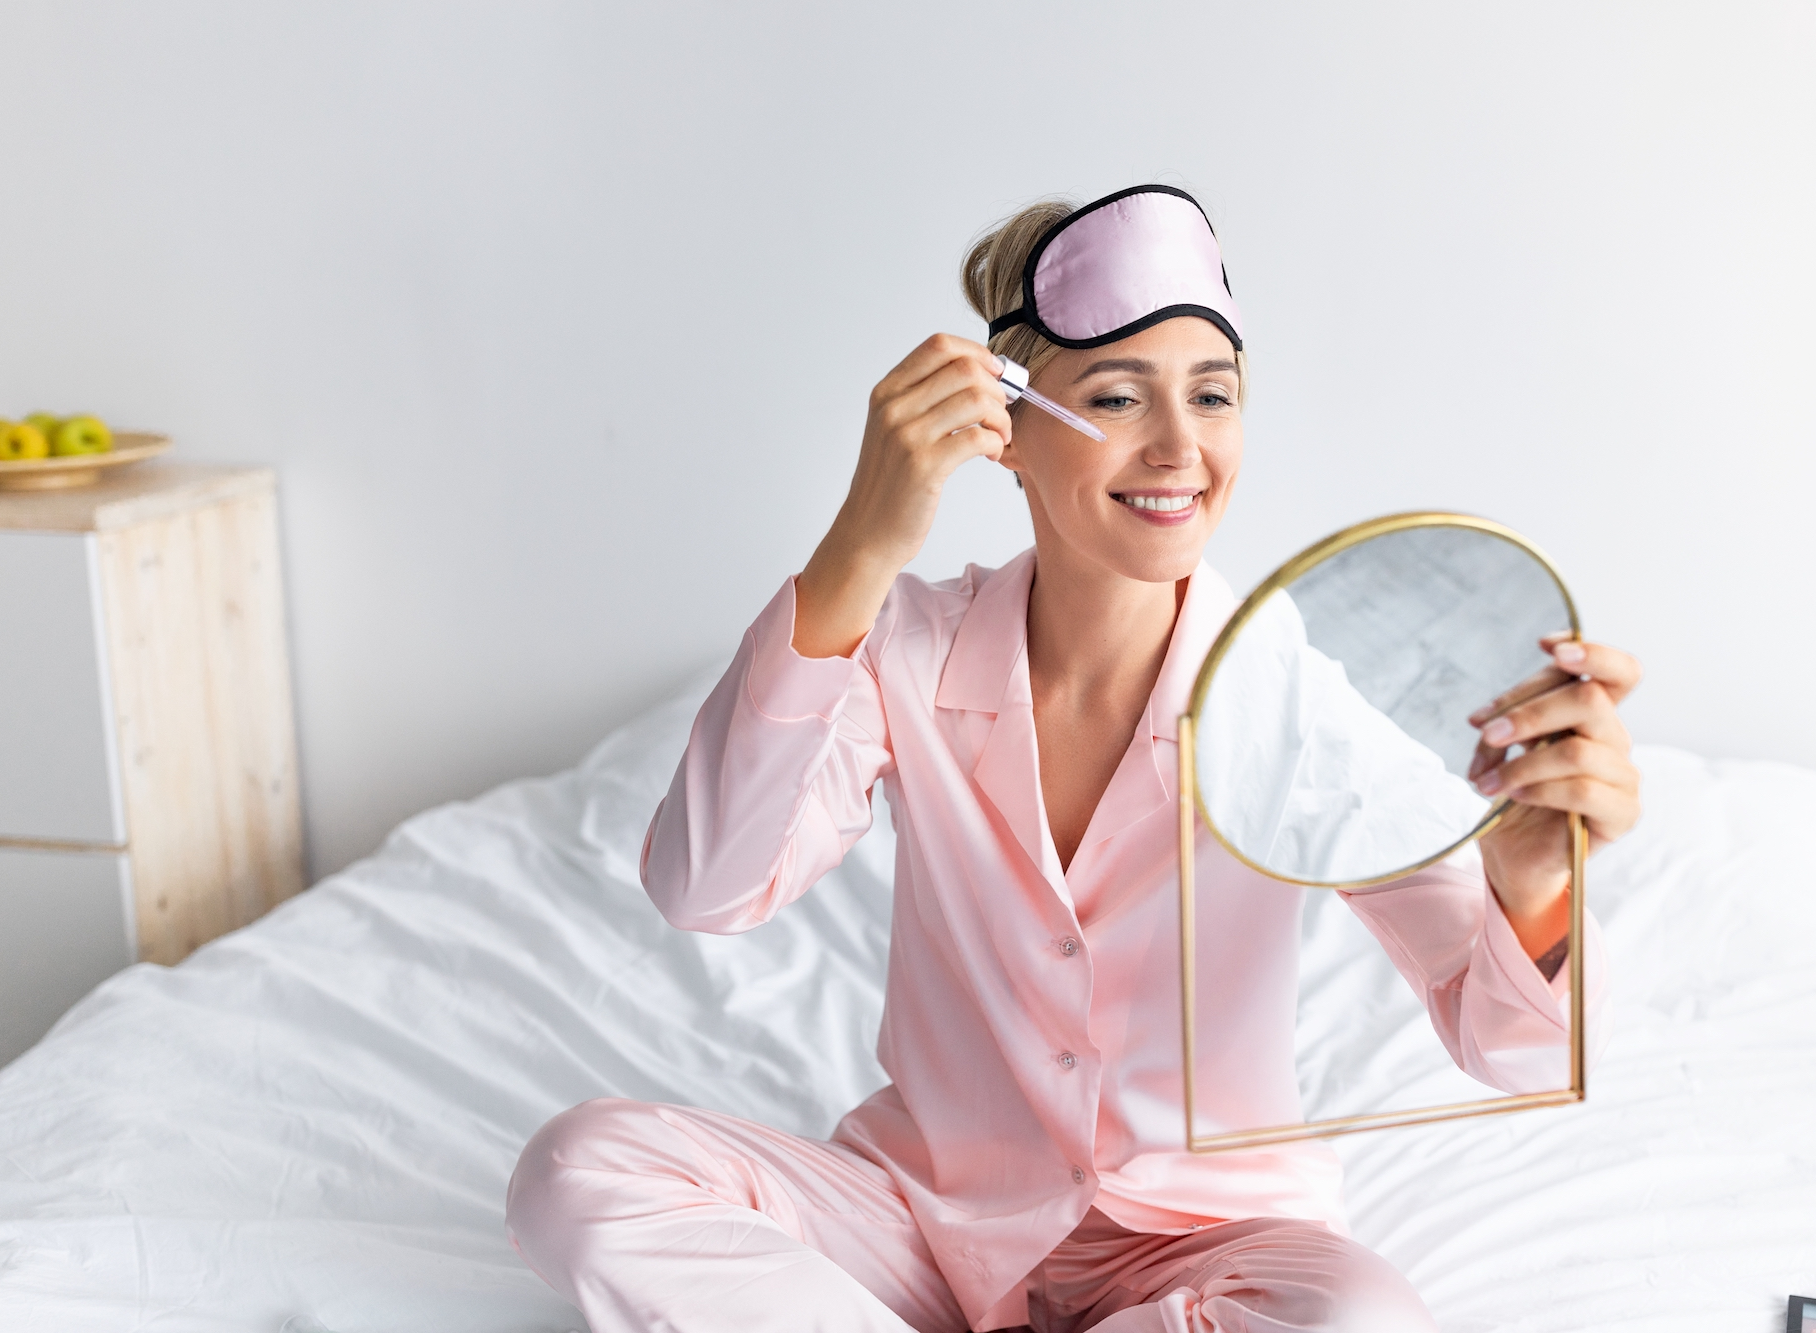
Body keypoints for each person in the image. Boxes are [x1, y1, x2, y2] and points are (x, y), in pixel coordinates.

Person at [506, 185, 1643, 1333]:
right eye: (1114, 396)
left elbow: (1515, 1048)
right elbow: (705, 885)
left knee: (1358, 1315)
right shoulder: (905, 644)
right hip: (925, 1220)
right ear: (1006, 429)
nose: (1179, 447)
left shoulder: (1289, 696)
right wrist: (859, 540)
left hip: (1200, 1251)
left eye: (1212, 397)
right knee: (582, 1169)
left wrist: (1537, 877)